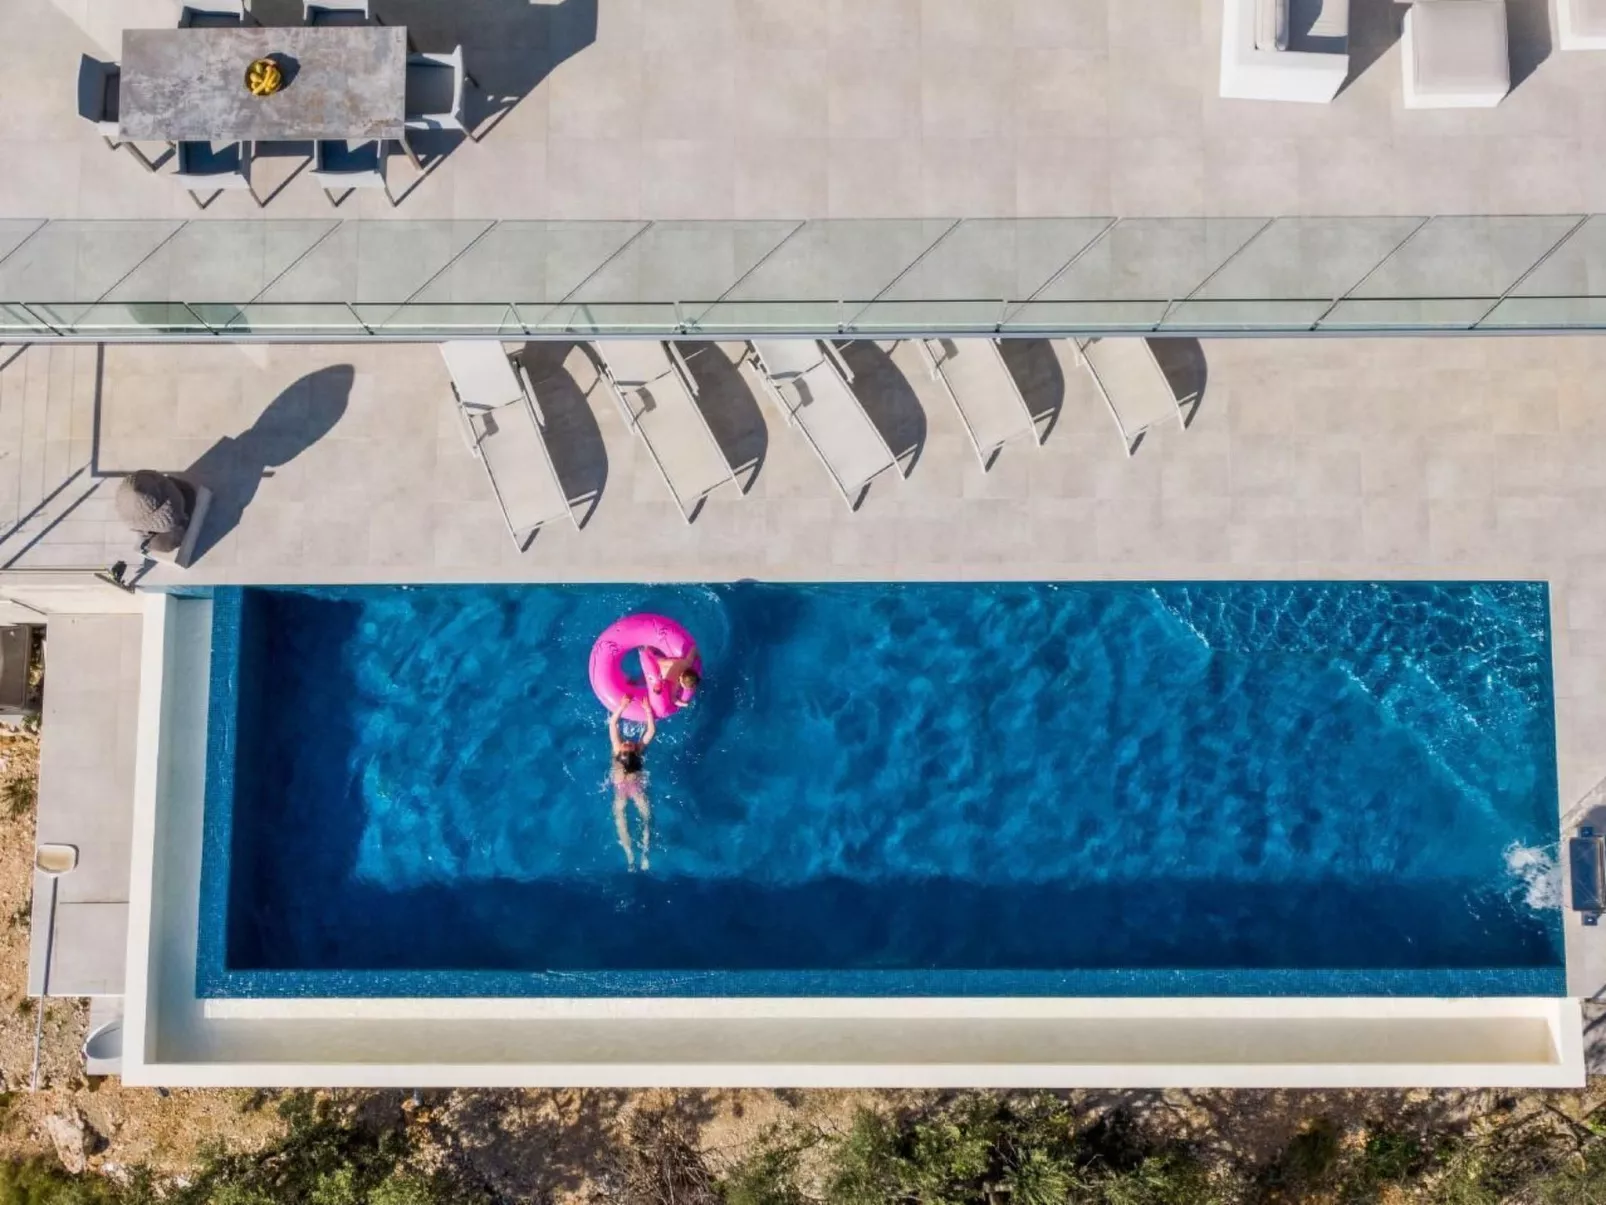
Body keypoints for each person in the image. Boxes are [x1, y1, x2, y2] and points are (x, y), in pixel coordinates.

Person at [608, 692, 655, 870]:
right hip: (629, 789)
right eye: (628, 743)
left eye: (628, 743)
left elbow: (613, 724)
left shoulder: (622, 750)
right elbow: (650, 731)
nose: (627, 741)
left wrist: (624, 707)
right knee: (623, 819)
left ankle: (644, 854)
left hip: (628, 788)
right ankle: (629, 855)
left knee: (645, 818)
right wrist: (646, 711)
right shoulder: (627, 750)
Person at [651, 641, 700, 709]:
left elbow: (694, 649)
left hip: (658, 660)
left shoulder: (688, 663)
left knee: (653, 653)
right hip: (657, 671)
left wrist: (699, 655)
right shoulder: (676, 683)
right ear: (681, 681)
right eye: (684, 686)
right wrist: (685, 704)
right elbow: (673, 699)